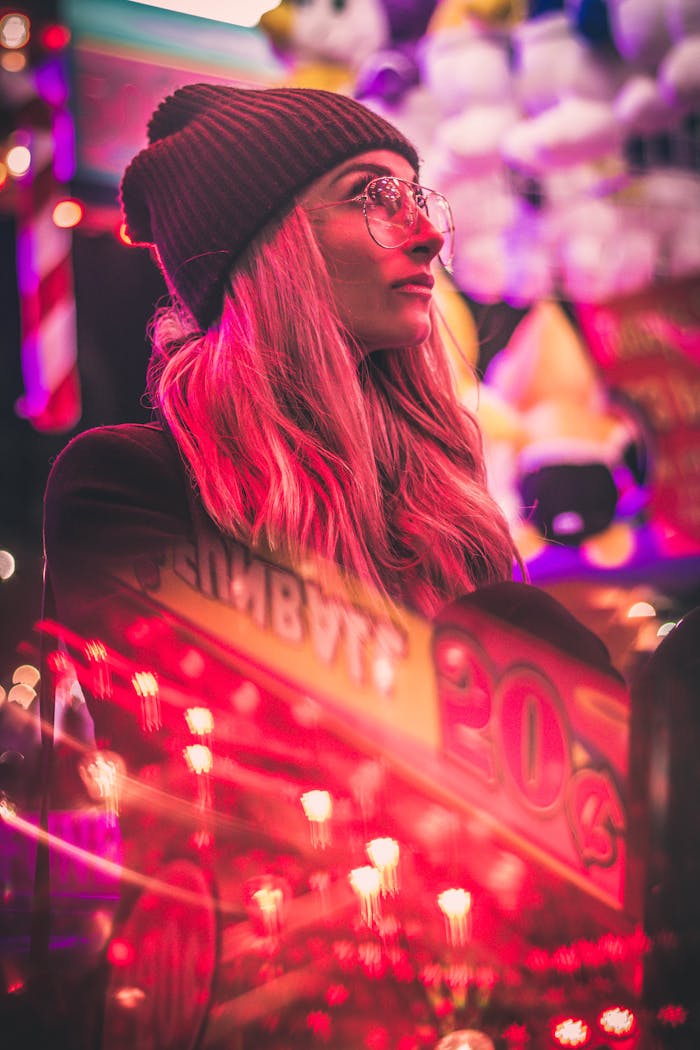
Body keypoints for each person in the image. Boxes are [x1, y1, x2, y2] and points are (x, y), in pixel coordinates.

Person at [44, 83, 517, 654]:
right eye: (372, 195)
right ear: (269, 247)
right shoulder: (125, 484)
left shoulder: (446, 494)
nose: (429, 235)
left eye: (417, 199)